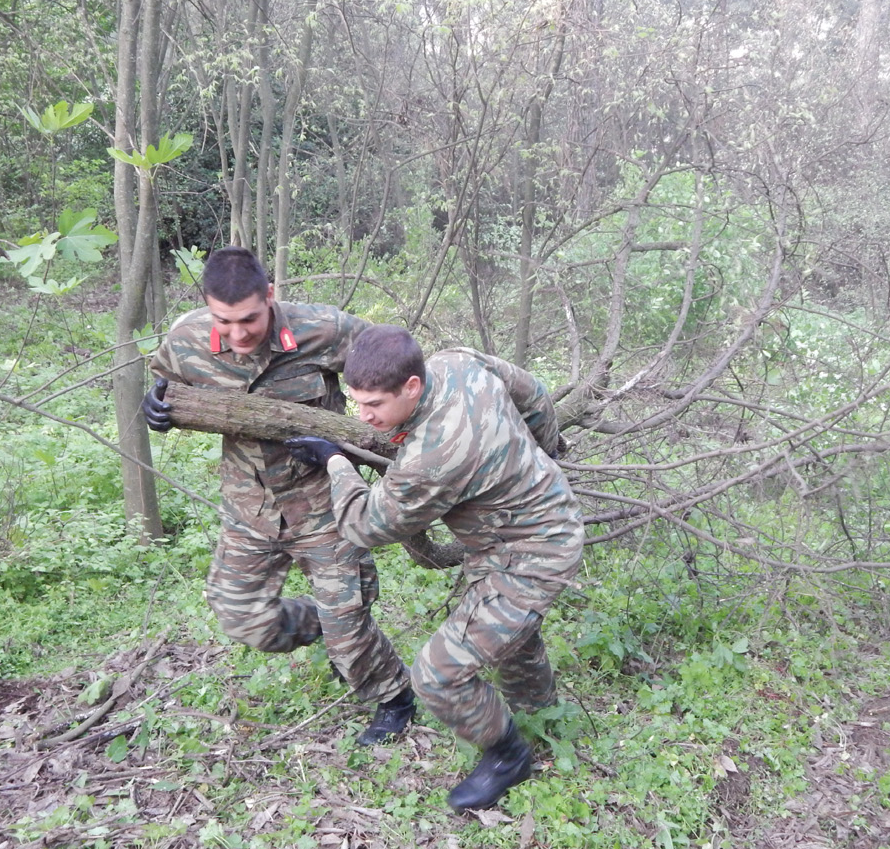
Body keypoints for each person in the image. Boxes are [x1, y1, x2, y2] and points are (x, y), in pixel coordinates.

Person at [285, 325, 585, 813]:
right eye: (356, 402)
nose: (363, 416)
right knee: (510, 635)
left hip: (534, 553)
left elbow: (364, 525)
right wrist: (546, 452)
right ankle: (541, 712)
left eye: (374, 406)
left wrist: (335, 460)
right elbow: (534, 394)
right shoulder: (458, 362)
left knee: (438, 675)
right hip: (523, 529)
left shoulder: (431, 458)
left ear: (411, 387)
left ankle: (508, 757)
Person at [142, 247, 414, 745]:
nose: (239, 333)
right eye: (225, 321)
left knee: (348, 620)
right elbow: (166, 381)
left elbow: (395, 370)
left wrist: (358, 441)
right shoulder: (187, 338)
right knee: (243, 619)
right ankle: (337, 626)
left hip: (324, 505)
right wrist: (157, 404)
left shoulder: (325, 329)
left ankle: (393, 695)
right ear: (207, 306)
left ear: (269, 296)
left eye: (249, 318)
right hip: (250, 508)